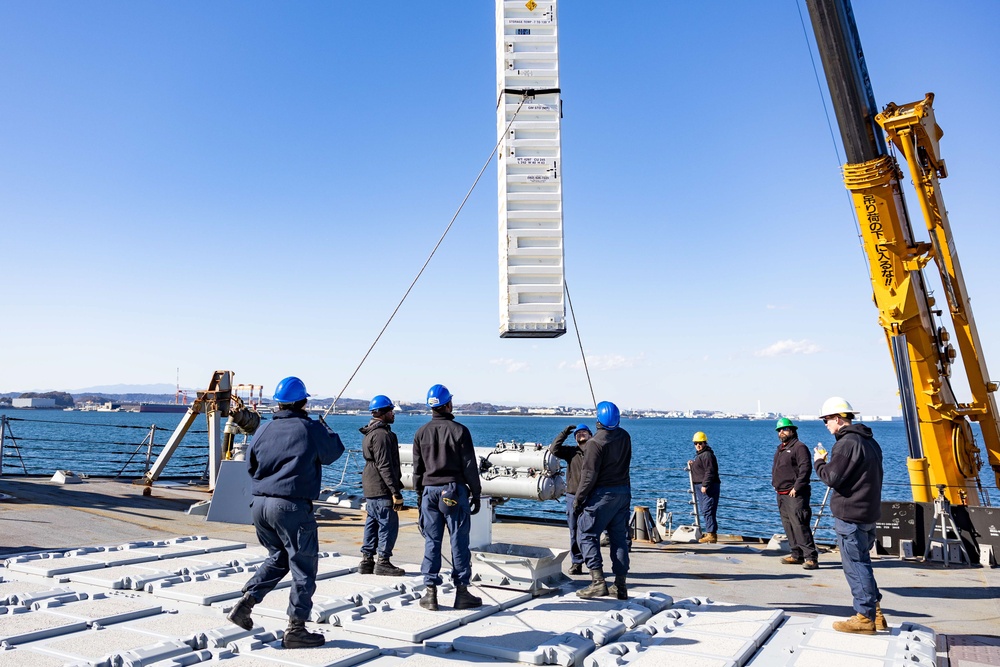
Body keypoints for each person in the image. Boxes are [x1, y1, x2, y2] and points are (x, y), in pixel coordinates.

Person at [227, 376, 345, 648]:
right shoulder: (310, 428)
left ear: (279, 403)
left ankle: (245, 604)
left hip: (260, 505)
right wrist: (325, 429)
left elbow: (251, 465)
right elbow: (333, 452)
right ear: (303, 402)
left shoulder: (263, 430)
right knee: (303, 566)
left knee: (278, 557)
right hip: (291, 506)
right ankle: (296, 629)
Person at [814, 396, 887, 634]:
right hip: (868, 513)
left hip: (851, 515)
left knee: (855, 566)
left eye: (826, 419)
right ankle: (875, 613)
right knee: (863, 563)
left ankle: (864, 618)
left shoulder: (846, 444)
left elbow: (830, 478)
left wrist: (819, 461)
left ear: (838, 418)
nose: (825, 424)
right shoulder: (870, 442)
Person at [412, 384, 483, 611]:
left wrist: (418, 494)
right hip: (453, 492)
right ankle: (461, 592)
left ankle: (430, 593)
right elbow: (470, 466)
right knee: (458, 541)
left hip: (429, 492)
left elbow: (417, 469)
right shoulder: (460, 431)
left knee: (432, 541)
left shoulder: (420, 433)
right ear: (448, 404)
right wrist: (476, 493)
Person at [574, 401, 632, 600]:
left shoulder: (594, 443)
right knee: (619, 540)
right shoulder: (625, 436)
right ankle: (620, 585)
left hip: (602, 496)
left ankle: (598, 582)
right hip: (623, 494)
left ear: (598, 419)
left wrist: (578, 500)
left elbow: (588, 476)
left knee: (586, 533)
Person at [358, 394, 405, 577]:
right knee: (387, 523)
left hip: (370, 485)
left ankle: (366, 560)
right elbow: (385, 465)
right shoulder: (382, 436)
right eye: (391, 411)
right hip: (381, 486)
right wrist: (395, 491)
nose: (393, 414)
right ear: (383, 413)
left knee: (372, 522)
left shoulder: (370, 433)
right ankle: (383, 561)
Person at [771, 418, 819, 570]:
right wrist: (775, 485)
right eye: (779, 430)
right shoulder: (781, 448)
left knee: (800, 524)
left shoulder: (800, 447)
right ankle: (796, 554)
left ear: (792, 430)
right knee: (788, 525)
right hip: (781, 493)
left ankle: (811, 557)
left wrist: (797, 487)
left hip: (795, 494)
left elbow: (805, 469)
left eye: (784, 429)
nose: (781, 432)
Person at [549, 423, 592, 575]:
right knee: (574, 531)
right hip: (572, 497)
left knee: (589, 532)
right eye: (578, 433)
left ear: (590, 435)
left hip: (590, 497)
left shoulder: (595, 452)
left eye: (584, 432)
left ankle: (593, 565)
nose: (581, 435)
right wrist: (564, 432)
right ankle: (576, 563)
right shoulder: (571, 452)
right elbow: (554, 449)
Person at [690, 431, 720, 543]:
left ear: (705, 443)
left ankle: (711, 534)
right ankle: (710, 533)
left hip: (707, 487)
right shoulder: (701, 455)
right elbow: (703, 468)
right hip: (701, 486)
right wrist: (693, 464)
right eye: (696, 443)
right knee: (706, 509)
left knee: (708, 509)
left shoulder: (706, 455)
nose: (698, 445)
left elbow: (710, 471)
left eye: (700, 443)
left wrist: (705, 484)